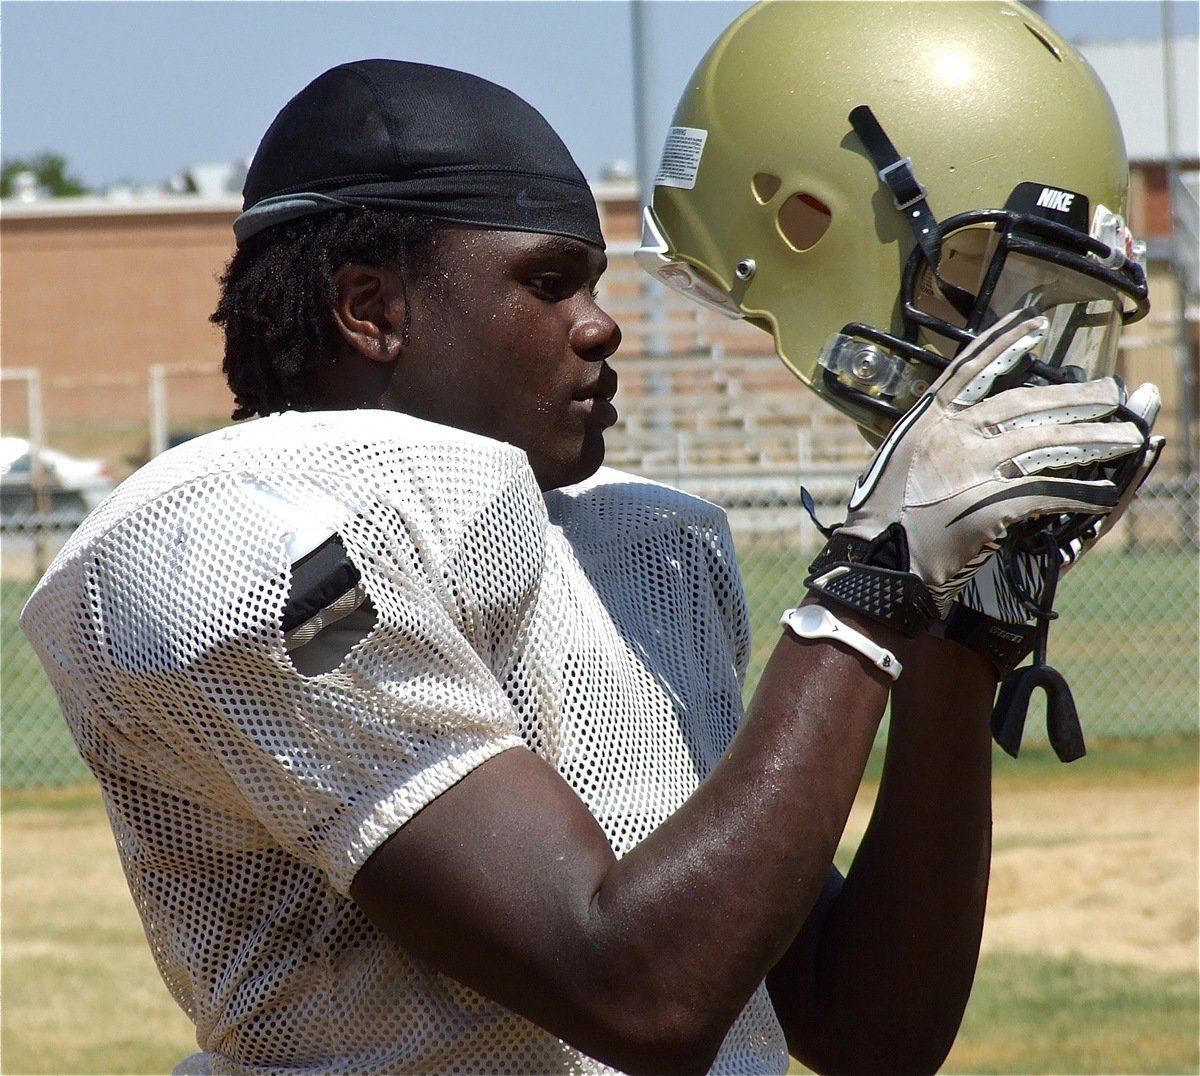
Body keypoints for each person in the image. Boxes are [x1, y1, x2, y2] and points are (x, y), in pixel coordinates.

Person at [21, 5, 1160, 1074]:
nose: (603, 322)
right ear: (371, 309)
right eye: (549, 281)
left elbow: (865, 1025)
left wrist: (957, 642)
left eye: (597, 280)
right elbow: (638, 993)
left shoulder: (635, 545)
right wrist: (868, 584)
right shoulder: (241, 538)